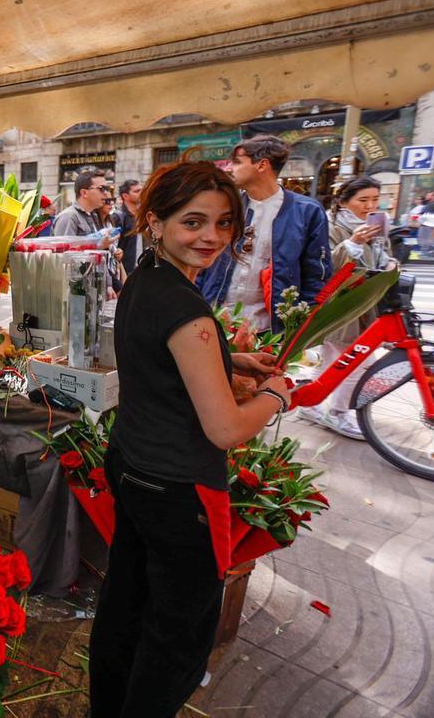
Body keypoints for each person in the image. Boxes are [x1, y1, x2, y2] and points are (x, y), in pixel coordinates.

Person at [90, 159, 292, 718]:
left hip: (131, 464)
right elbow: (225, 428)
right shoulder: (188, 308)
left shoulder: (145, 280)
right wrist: (274, 395)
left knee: (125, 607)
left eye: (224, 223)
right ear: (155, 222)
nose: (211, 237)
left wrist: (235, 358)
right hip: (180, 491)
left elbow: (164, 358)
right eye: (194, 222)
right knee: (176, 638)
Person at [197, 135, 332, 332]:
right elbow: (202, 261)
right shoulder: (226, 205)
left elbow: (316, 275)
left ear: (262, 165)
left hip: (269, 330)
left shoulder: (306, 211)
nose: (228, 168)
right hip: (215, 319)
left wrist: (301, 326)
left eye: (236, 162)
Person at [299, 177, 395, 439]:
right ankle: (339, 413)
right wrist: (352, 243)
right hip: (340, 306)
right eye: (363, 200)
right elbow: (324, 266)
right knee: (359, 362)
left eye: (375, 199)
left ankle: (311, 405)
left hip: (365, 304)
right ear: (344, 201)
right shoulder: (330, 226)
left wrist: (389, 263)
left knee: (333, 361)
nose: (370, 205)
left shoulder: (375, 226)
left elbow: (384, 257)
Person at [52, 169, 109, 236]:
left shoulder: (93, 215)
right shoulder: (68, 217)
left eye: (106, 189)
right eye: (101, 189)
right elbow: (64, 246)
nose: (106, 193)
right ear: (84, 193)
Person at [113, 179, 145, 274]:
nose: (141, 193)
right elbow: (115, 247)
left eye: (141, 190)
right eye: (137, 191)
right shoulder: (119, 217)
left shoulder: (142, 215)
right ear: (125, 196)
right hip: (126, 271)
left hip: (142, 269)